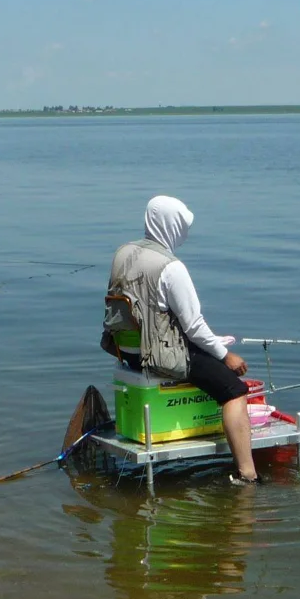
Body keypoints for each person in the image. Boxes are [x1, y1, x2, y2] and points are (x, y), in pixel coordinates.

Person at [102, 195, 260, 485]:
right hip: (160, 355)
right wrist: (226, 355)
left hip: (127, 351)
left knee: (209, 353)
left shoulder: (123, 253)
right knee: (234, 390)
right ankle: (247, 475)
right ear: (172, 226)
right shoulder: (171, 267)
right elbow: (194, 327)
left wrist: (214, 344)